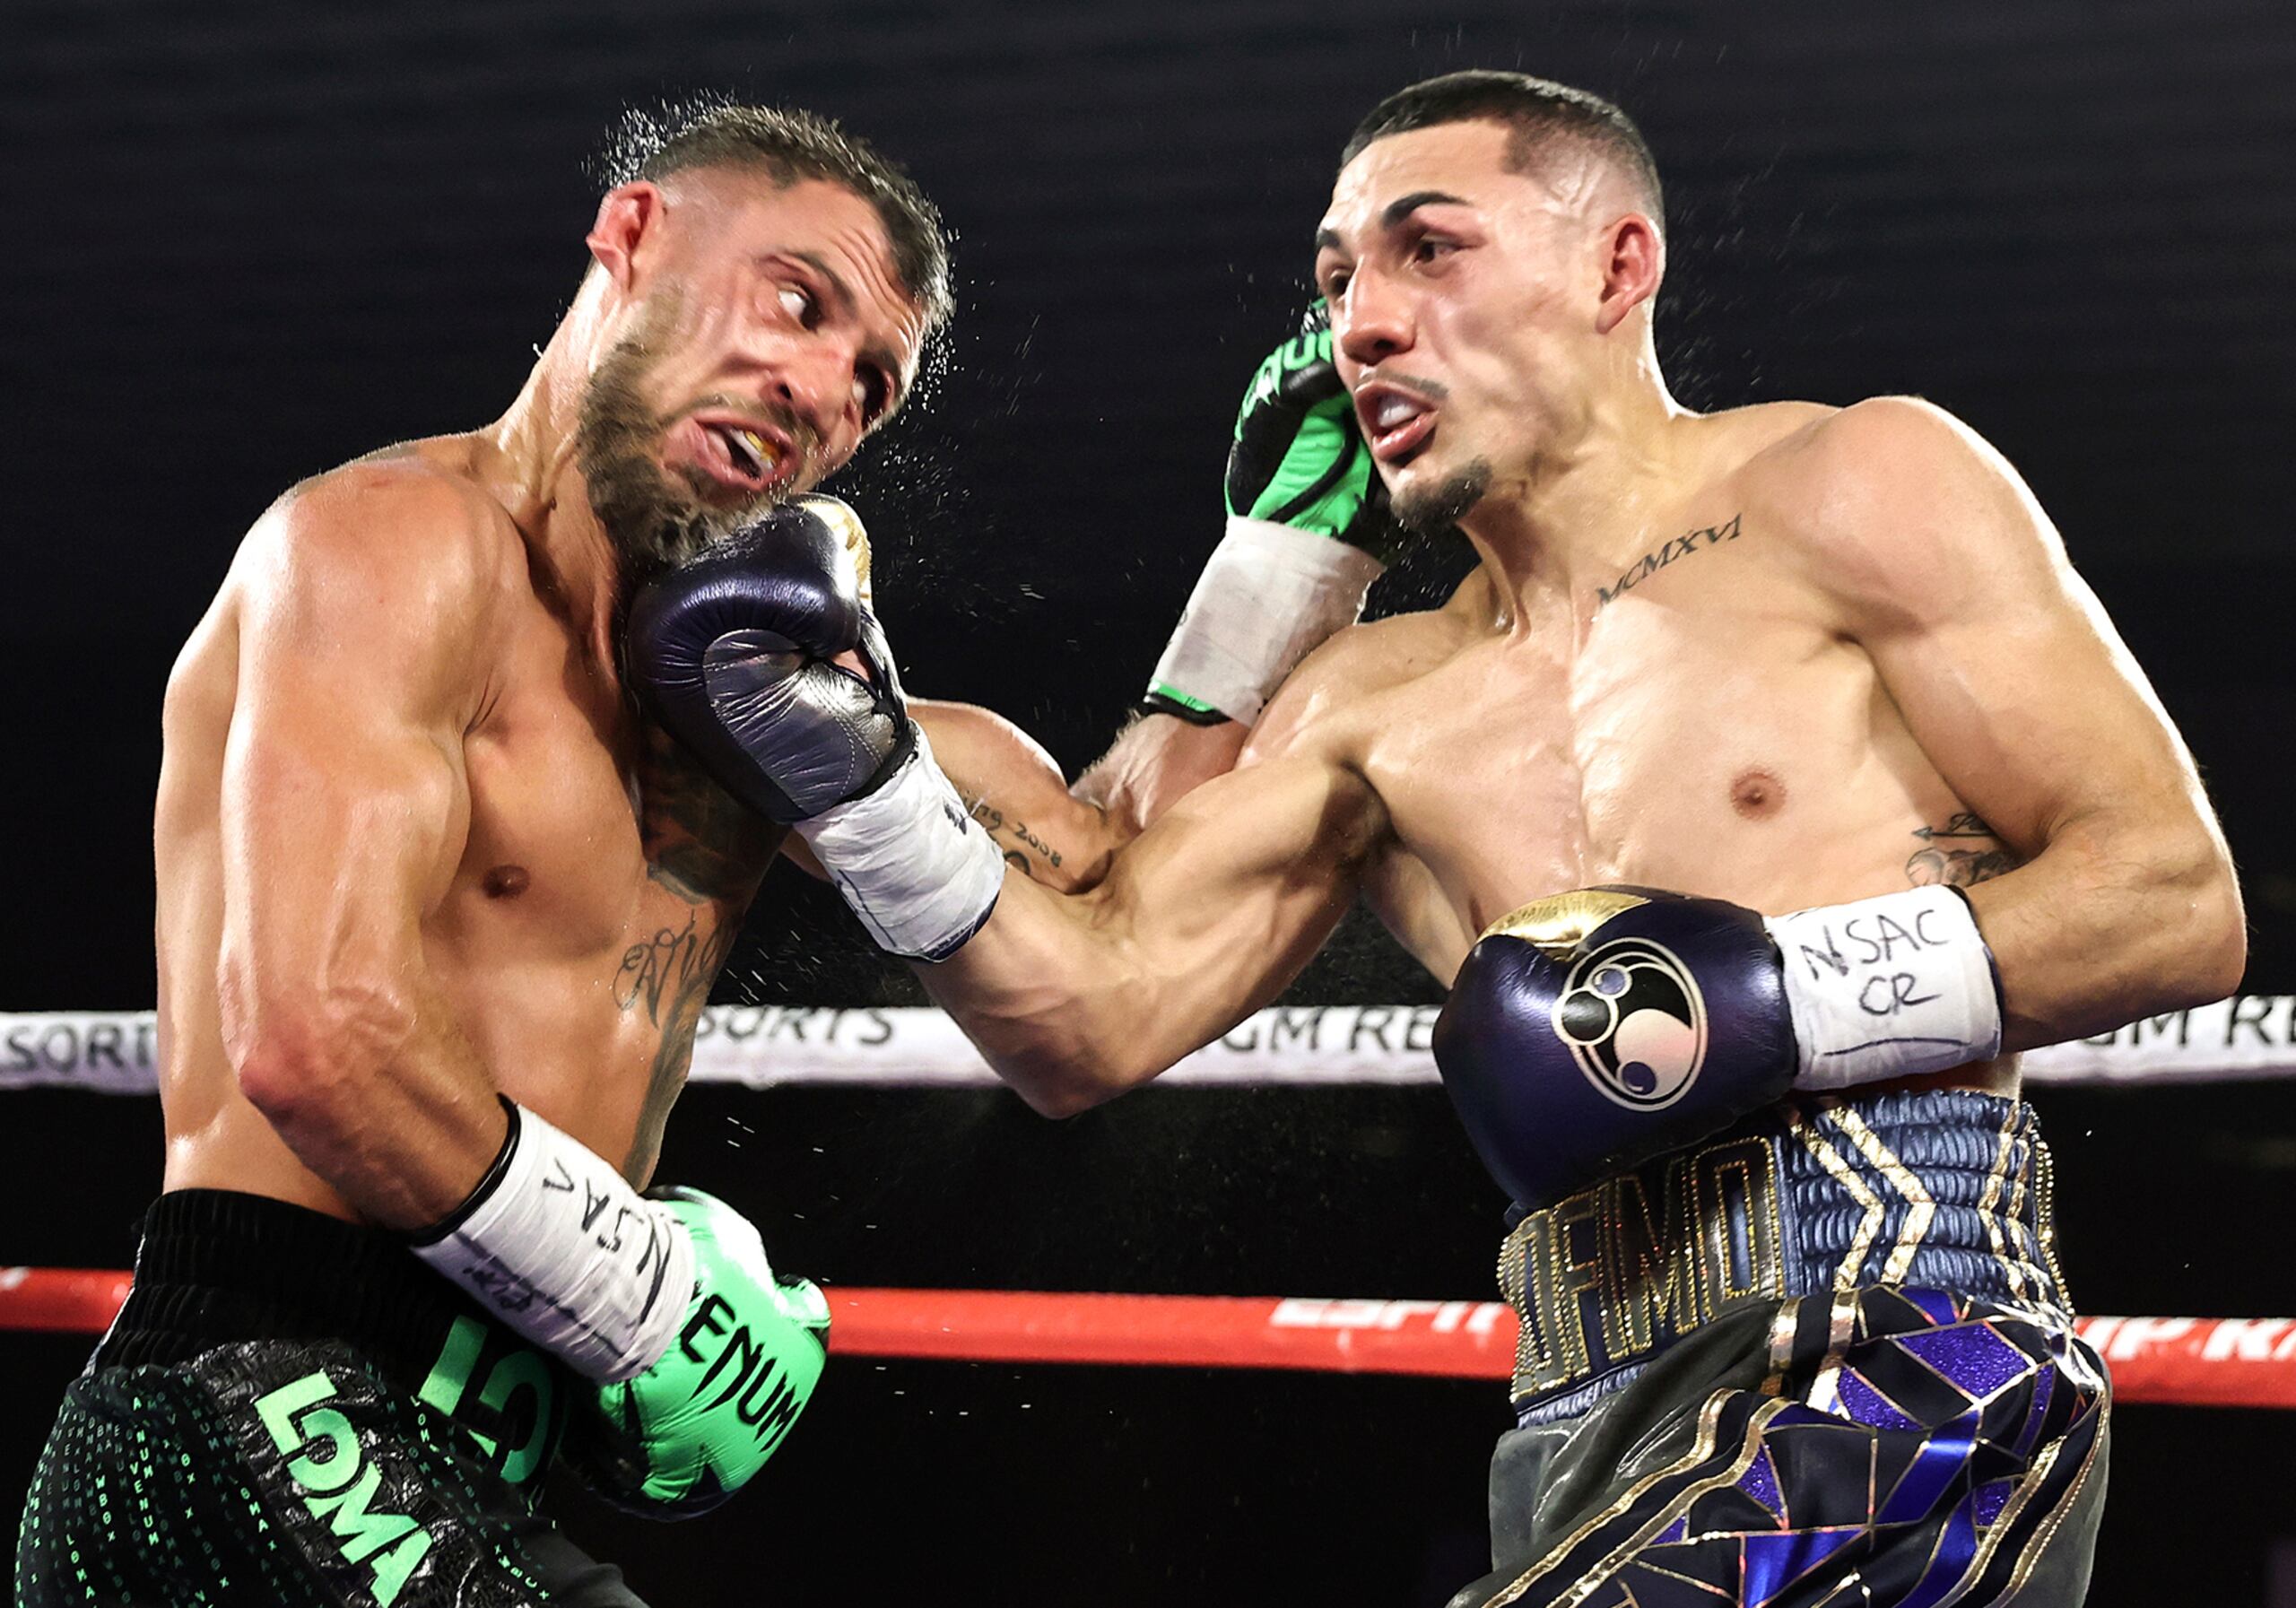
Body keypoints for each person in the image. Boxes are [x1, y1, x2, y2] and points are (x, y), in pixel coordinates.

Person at [631, 72, 2244, 1604]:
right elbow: (1089, 1004)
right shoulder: (1378, 700)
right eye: (1336, 280)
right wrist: (861, 779)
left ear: (1619, 266)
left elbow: (2175, 898)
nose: (1365, 320)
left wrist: (1769, 1000)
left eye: (1428, 247)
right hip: (1577, 1418)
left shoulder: (1854, 483)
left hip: (1905, 1364)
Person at [14, 102, 950, 1608]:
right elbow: (317, 1043)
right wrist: (648, 1307)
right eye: (797, 297)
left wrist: (1287, 564)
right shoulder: (393, 545)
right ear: (632, 235)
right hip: (252, 1412)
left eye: (870, 382)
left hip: (461, 1456)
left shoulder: (746, 723)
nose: (823, 384)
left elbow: (1100, 894)